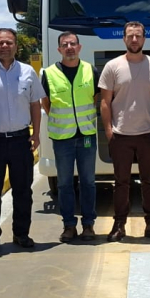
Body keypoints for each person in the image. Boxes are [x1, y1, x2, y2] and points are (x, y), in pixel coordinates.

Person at [99, 21, 150, 243]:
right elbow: (105, 102)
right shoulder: (112, 66)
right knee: (121, 183)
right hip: (121, 136)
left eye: (138, 36)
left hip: (148, 134)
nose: (134, 40)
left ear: (144, 39)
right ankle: (119, 225)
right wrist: (109, 131)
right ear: (123, 39)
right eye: (130, 36)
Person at [0, 28, 43, 252]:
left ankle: (21, 234)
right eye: (0, 43)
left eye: (9, 43)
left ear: (16, 46)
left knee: (23, 191)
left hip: (20, 141)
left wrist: (36, 134)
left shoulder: (27, 72)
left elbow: (35, 103)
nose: (4, 46)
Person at [41, 31, 100, 242]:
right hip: (62, 137)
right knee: (65, 184)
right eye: (65, 44)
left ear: (79, 47)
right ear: (59, 49)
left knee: (88, 182)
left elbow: (96, 98)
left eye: (73, 44)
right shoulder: (48, 73)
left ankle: (88, 225)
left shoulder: (90, 70)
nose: (69, 47)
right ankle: (68, 225)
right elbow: (45, 102)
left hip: (86, 135)